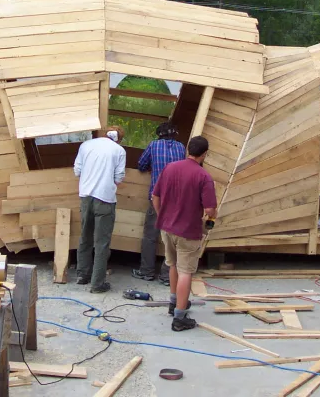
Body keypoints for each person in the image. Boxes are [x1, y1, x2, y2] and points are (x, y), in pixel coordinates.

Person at [152, 136, 217, 332]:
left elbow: (155, 196)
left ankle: (174, 303)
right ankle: (180, 318)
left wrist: (161, 216)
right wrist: (211, 218)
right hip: (188, 231)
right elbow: (210, 209)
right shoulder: (204, 176)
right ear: (204, 154)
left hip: (167, 227)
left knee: (172, 265)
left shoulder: (170, 168)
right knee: (186, 271)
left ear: (188, 149)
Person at [73, 126, 127, 293]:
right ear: (119, 138)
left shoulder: (86, 145)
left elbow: (77, 171)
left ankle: (82, 275)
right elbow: (119, 177)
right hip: (105, 199)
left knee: (85, 236)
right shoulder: (119, 151)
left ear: (104, 134)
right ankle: (97, 284)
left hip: (86, 196)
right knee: (102, 243)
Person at [132, 122, 185, 284]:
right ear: (174, 134)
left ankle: (147, 271)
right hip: (176, 199)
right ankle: (166, 275)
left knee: (150, 236)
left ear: (159, 134)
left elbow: (141, 165)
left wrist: (151, 167)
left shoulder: (154, 145)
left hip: (157, 197)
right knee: (173, 236)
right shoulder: (181, 148)